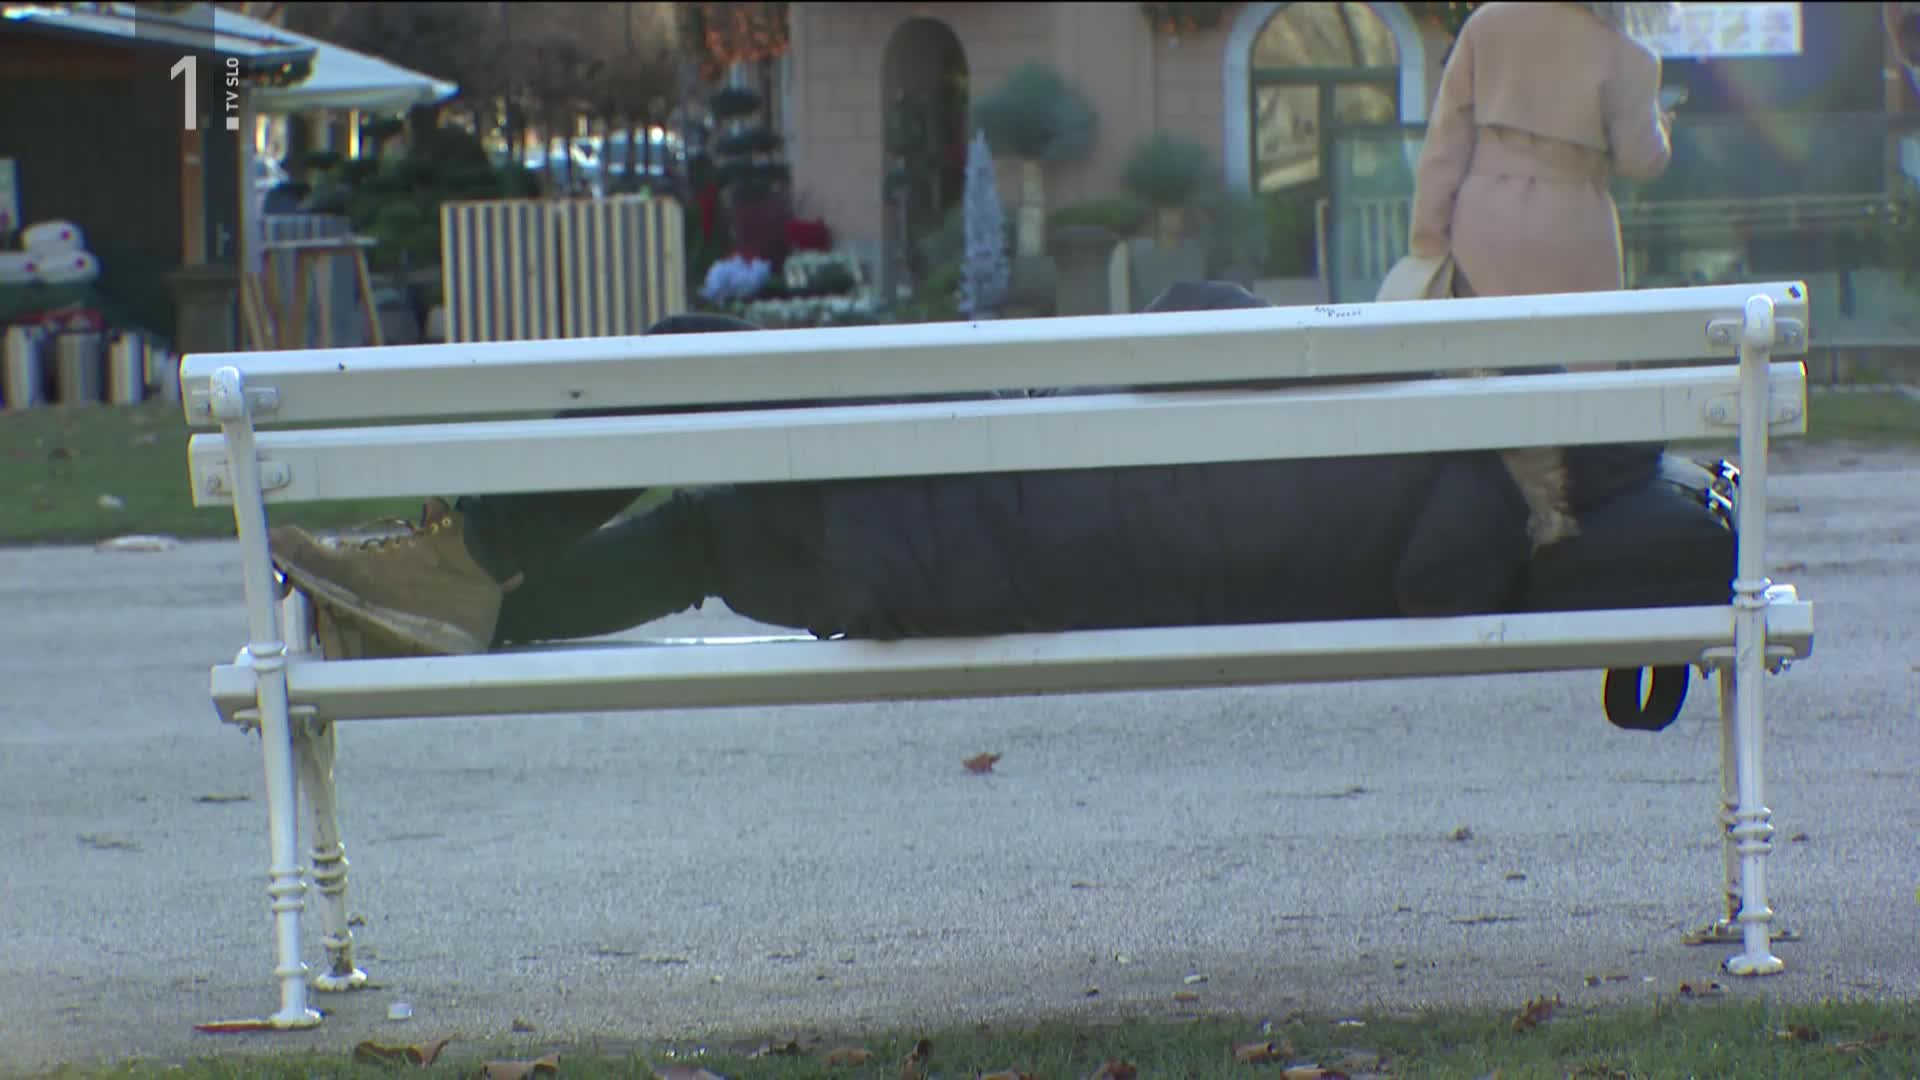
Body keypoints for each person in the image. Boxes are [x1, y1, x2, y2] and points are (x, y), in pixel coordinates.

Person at [268, 287, 1706, 663]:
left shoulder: (1442, 463)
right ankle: (455, 609)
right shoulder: (1467, 521)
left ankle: (462, 560)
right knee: (709, 533)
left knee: (691, 357)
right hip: (939, 569)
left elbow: (1194, 326)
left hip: (959, 505)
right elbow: (1437, 590)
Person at [1408, 1, 1678, 306]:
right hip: (1576, 226)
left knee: (1487, 330)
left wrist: (1428, 243)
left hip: (1485, 221)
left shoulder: (1487, 24)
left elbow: (1445, 147)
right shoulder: (1629, 55)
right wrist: (1661, 125)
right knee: (1574, 330)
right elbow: (1641, 161)